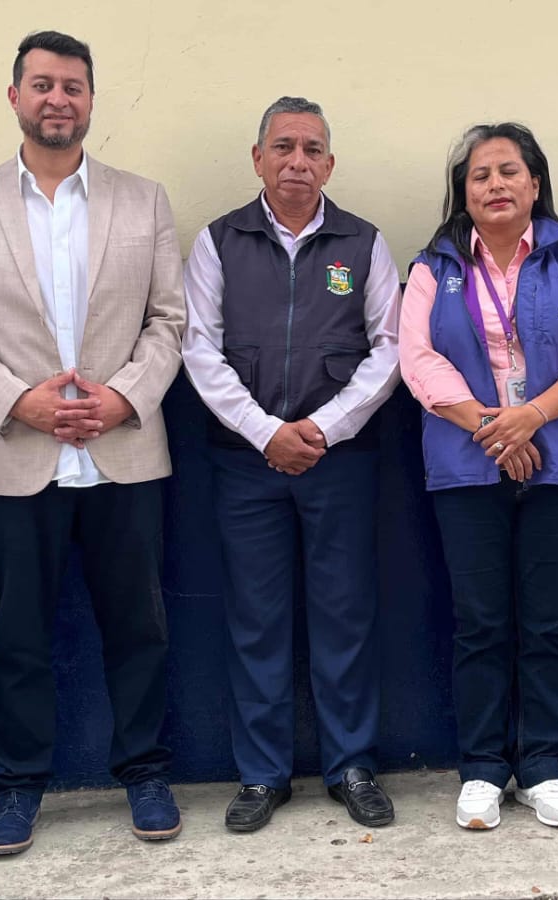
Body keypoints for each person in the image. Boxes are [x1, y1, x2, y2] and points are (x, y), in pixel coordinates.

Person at [0, 30, 187, 855]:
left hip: (124, 450)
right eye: (42, 84)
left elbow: (169, 321)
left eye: (73, 86)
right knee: (18, 638)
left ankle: (145, 771)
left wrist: (123, 396)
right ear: (15, 97)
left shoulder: (144, 200)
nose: (58, 99)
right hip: (13, 453)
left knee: (139, 628)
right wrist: (20, 401)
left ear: (91, 100)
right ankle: (17, 785)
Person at [183, 96, 402, 833]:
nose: (297, 162)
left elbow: (390, 349)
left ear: (329, 165)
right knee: (256, 619)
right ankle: (261, 774)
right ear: (258, 158)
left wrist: (323, 429)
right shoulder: (218, 242)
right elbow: (199, 348)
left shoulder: (363, 244)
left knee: (345, 613)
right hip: (246, 464)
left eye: (311, 150)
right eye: (283, 147)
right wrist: (264, 432)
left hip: (340, 461)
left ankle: (353, 766)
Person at [399, 123, 558, 831]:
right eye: (480, 175)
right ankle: (482, 768)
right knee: (480, 623)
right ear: (463, 193)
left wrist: (531, 417)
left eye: (508, 171)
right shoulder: (434, 267)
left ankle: (543, 767)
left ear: (535, 183)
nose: (495, 184)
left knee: (547, 623)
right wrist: (493, 429)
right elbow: (418, 359)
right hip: (467, 468)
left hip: (557, 464)